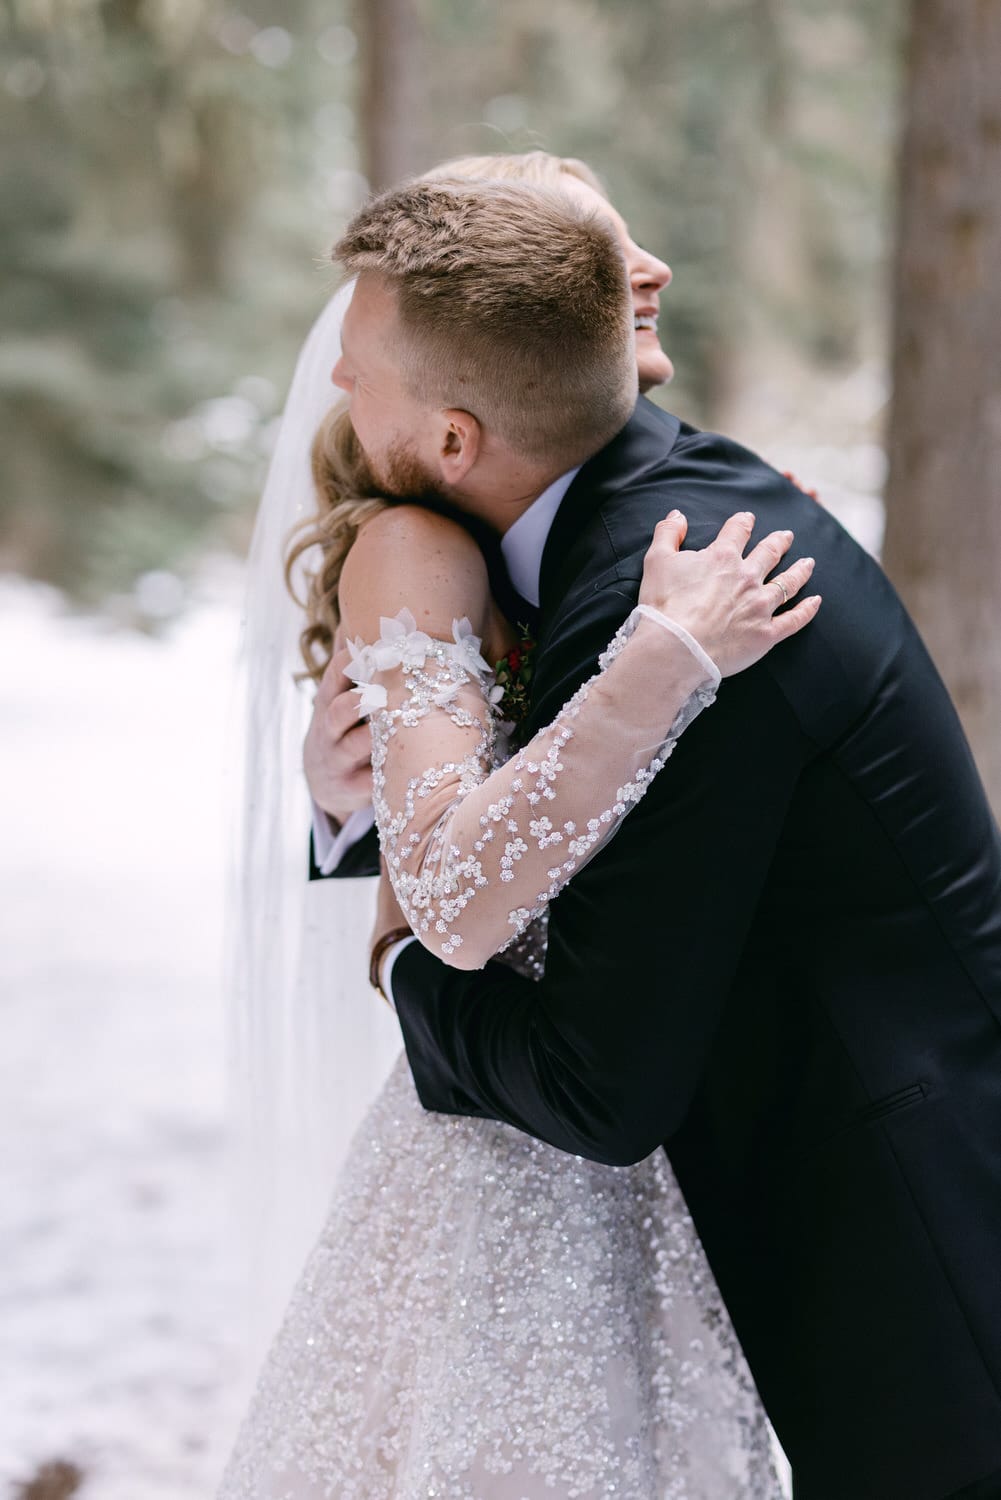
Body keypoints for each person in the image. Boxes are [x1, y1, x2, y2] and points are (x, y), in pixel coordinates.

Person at [300, 172, 1001, 1499]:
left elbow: (595, 1085)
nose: (336, 397)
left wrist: (399, 960)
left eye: (359, 379)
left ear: (453, 438)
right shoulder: (590, 517)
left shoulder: (679, 600)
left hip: (918, 1254)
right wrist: (356, 796)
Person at [219, 155, 820, 1497]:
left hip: (656, 1122)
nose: (649, 270)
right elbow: (454, 890)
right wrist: (665, 656)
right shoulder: (420, 546)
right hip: (510, 1142)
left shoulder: (637, 499)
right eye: (607, 246)